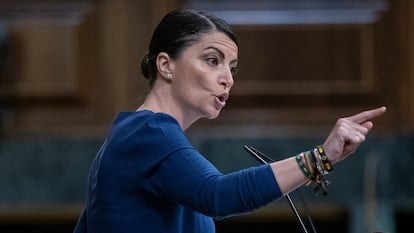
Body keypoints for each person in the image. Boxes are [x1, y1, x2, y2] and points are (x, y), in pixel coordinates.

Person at [72, 8, 387, 233]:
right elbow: (219, 195)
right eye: (212, 61)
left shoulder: (134, 136)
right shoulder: (148, 133)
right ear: (166, 65)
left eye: (232, 68)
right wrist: (320, 157)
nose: (227, 79)